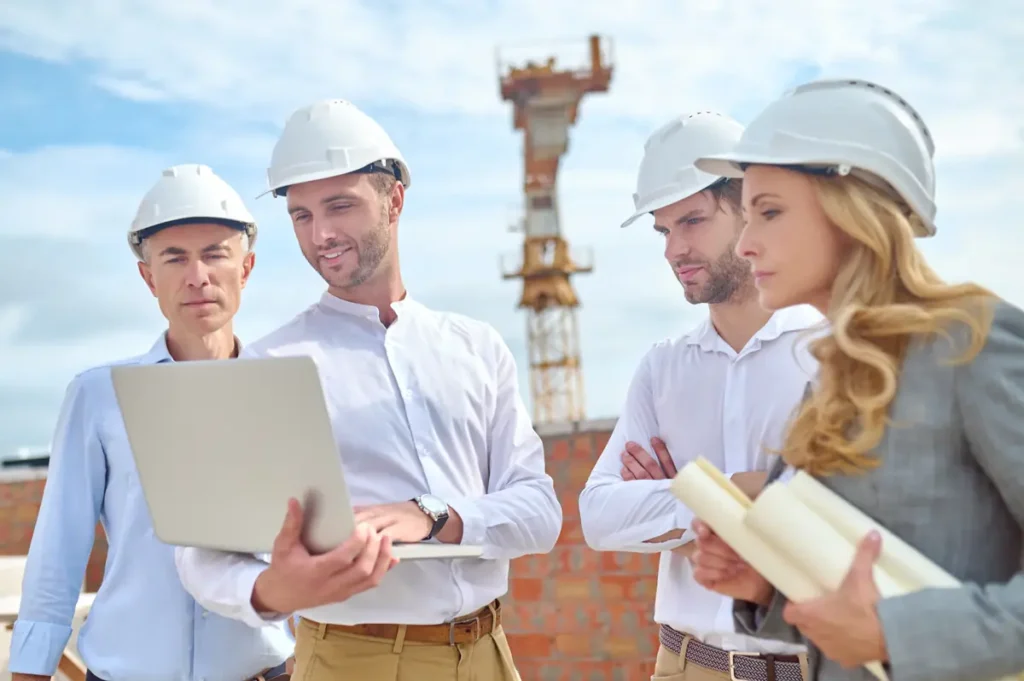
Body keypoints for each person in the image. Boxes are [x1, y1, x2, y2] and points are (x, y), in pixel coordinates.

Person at [173, 99, 561, 681]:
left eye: (340, 206)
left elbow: (540, 513)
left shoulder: (475, 347)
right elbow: (202, 554)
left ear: (394, 201)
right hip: (351, 661)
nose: (321, 234)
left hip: (489, 654)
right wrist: (269, 590)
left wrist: (435, 516)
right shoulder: (268, 367)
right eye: (301, 215)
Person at [688, 77, 1024, 681]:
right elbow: (859, 616)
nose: (745, 244)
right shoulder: (834, 378)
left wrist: (898, 633)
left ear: (852, 213)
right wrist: (766, 588)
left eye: (769, 211)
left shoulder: (971, 342)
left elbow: (889, 628)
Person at [10, 164, 295, 681]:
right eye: (175, 258)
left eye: (214, 254)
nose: (198, 276)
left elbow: (310, 542)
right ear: (148, 277)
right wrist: (31, 671)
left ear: (246, 268)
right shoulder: (98, 396)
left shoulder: (289, 393)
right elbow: (59, 547)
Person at [578, 111, 821, 681]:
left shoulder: (828, 352)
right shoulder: (663, 368)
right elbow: (599, 516)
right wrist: (722, 500)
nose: (673, 250)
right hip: (684, 666)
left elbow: (847, 522)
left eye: (692, 221)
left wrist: (670, 505)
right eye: (664, 231)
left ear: (748, 208)